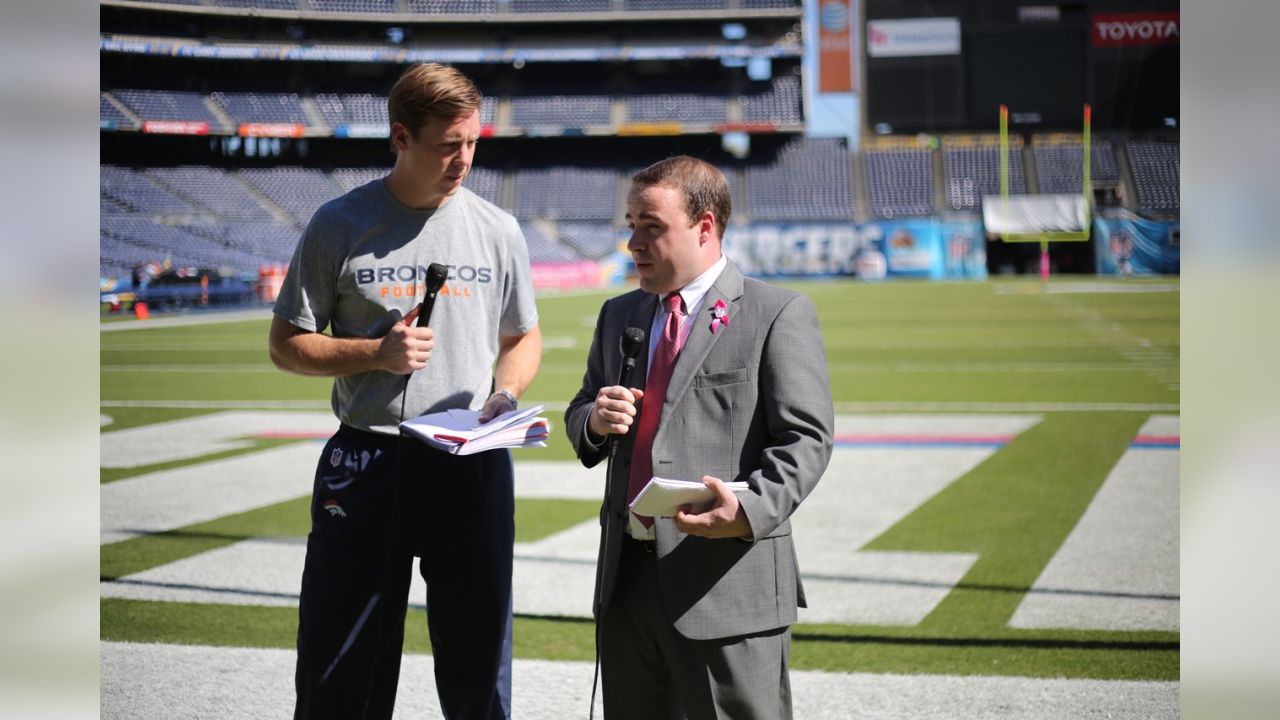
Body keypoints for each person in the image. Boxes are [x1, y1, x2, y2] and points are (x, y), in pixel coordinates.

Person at [269, 63, 541, 720]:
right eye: (449, 144)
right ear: (401, 137)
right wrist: (375, 353)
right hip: (369, 461)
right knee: (344, 662)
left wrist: (505, 392)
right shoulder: (341, 223)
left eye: (473, 142)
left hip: (470, 462)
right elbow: (287, 344)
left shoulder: (498, 229)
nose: (464, 159)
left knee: (479, 662)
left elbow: (523, 338)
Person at [565, 156, 834, 719]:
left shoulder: (776, 313)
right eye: (630, 223)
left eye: (651, 226)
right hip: (627, 584)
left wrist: (749, 509)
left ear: (704, 226)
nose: (632, 242)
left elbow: (806, 439)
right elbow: (580, 410)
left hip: (726, 580)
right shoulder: (619, 315)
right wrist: (594, 419)